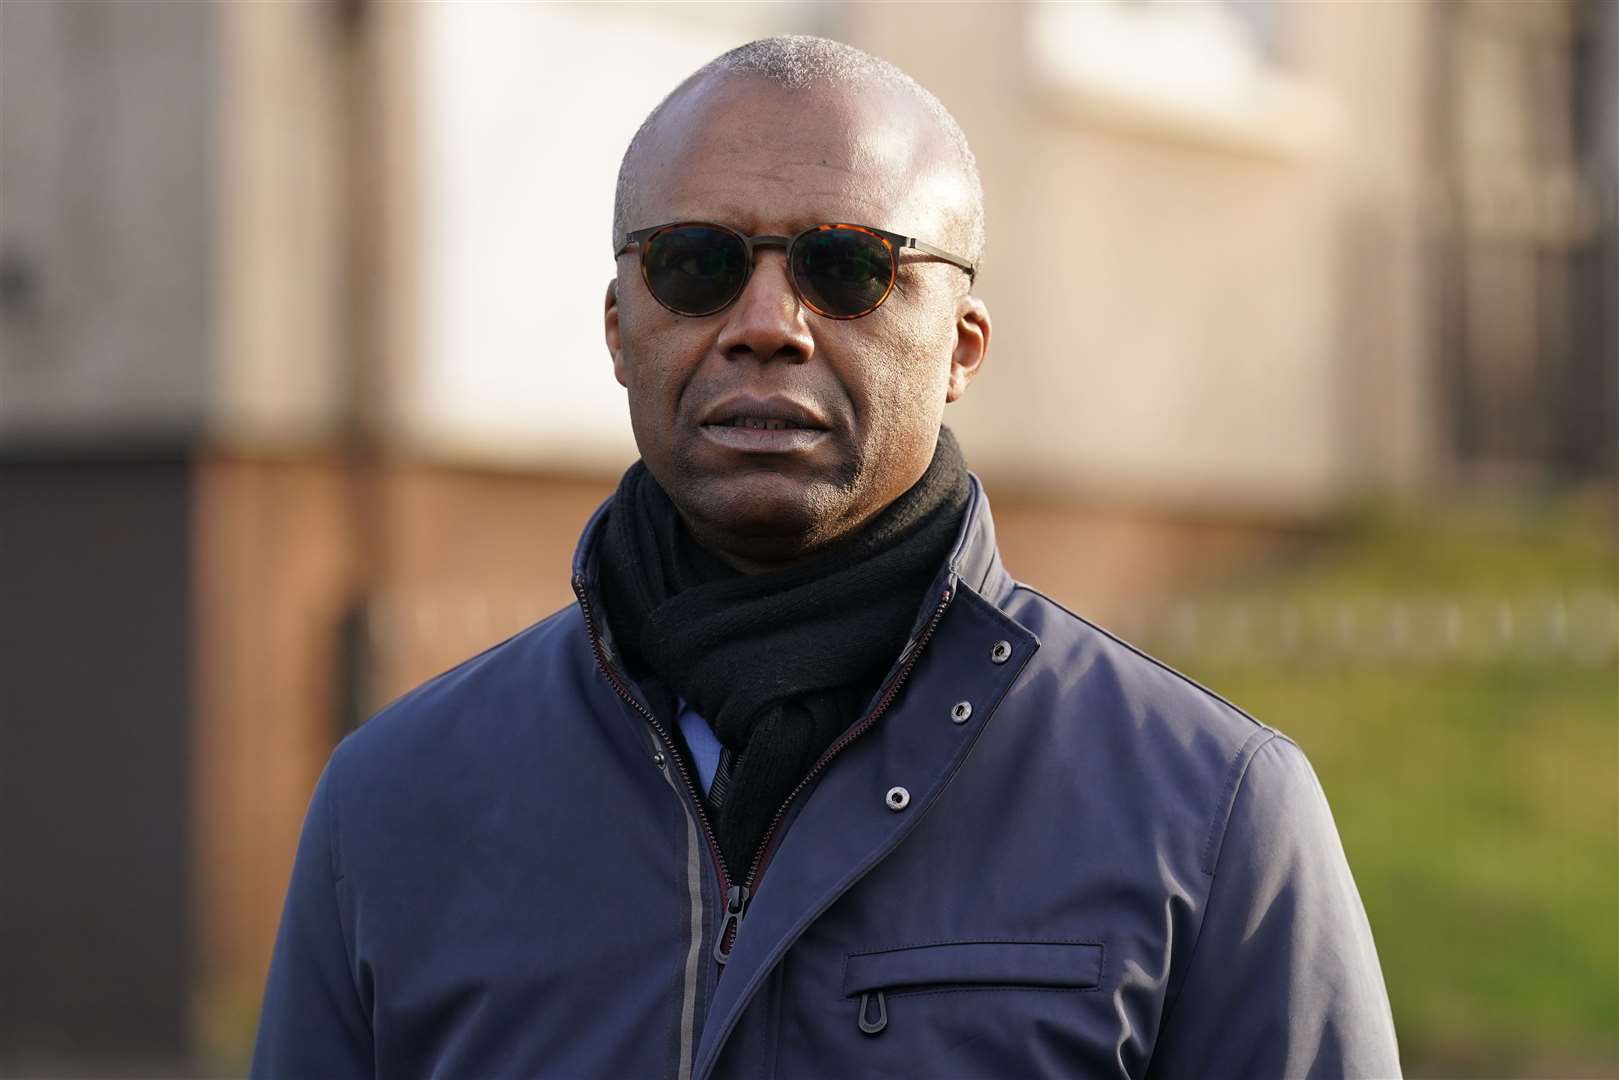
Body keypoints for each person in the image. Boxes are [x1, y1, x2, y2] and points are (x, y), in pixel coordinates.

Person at [252, 35, 1401, 1080]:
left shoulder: (1206, 814)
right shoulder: (395, 805)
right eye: (695, 263)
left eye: (845, 266)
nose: (767, 321)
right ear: (618, 329)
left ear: (961, 346)